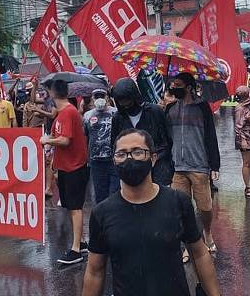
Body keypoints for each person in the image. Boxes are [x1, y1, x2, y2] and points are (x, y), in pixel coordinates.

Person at [83, 129, 221, 296]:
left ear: (153, 158)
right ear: (114, 161)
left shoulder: (177, 202)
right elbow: (95, 271)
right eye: (121, 154)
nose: (129, 158)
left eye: (138, 152)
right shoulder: (102, 213)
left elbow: (199, 254)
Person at [163, 73, 220, 256]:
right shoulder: (170, 109)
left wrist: (215, 165)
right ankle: (186, 243)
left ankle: (208, 233)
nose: (174, 87)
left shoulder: (202, 107)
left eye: (178, 85)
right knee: (180, 206)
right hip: (178, 166)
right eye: (172, 84)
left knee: (204, 206)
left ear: (188, 87)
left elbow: (211, 136)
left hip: (199, 165)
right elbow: (166, 137)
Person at [40, 79, 89, 265]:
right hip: (66, 168)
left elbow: (65, 140)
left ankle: (76, 250)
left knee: (75, 208)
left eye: (47, 92)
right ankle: (81, 242)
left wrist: (47, 141)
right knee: (70, 207)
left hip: (75, 167)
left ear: (53, 93)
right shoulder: (61, 114)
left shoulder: (68, 112)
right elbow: (54, 135)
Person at [110, 77, 173, 186]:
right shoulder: (118, 118)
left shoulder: (154, 112)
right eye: (121, 102)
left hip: (158, 167)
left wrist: (156, 158)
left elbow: (167, 140)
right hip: (131, 169)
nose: (125, 104)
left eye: (128, 100)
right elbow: (114, 145)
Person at [84, 88, 119, 204]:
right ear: (93, 99)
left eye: (102, 96)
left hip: (114, 159)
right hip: (96, 160)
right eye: (96, 96)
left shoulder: (116, 113)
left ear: (107, 97)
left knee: (115, 192)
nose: (99, 99)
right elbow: (86, 136)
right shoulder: (87, 116)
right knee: (100, 194)